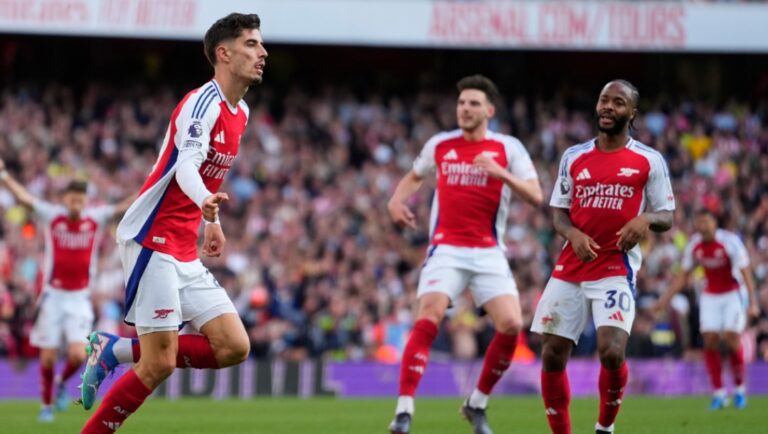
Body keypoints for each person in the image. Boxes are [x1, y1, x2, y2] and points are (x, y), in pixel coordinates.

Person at [78, 13, 267, 433]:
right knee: (158, 363)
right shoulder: (202, 103)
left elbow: (207, 177)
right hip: (153, 237)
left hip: (183, 245)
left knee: (234, 346)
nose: (263, 52)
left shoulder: (241, 111)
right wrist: (205, 206)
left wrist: (210, 221)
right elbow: (186, 167)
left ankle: (114, 350)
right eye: (252, 44)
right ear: (224, 53)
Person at [387, 74, 543, 434]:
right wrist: (396, 201)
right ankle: (404, 410)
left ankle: (476, 403)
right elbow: (415, 175)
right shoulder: (441, 144)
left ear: (489, 111)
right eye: (461, 103)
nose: (465, 109)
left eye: (474, 103)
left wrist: (500, 172)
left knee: (511, 325)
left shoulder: (508, 148)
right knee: (429, 313)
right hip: (447, 248)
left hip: (489, 251)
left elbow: (536, 195)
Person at [530, 80, 675, 434]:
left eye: (618, 102)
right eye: (603, 100)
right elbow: (559, 214)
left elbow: (667, 215)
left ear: (632, 113)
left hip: (614, 266)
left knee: (611, 351)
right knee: (551, 353)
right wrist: (573, 234)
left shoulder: (649, 160)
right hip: (571, 266)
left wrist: (645, 219)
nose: (608, 107)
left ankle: (604, 428)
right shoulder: (573, 156)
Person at [0, 158, 132, 423]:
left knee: (77, 354)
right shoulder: (52, 216)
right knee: (48, 357)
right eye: (72, 200)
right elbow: (25, 199)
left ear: (85, 201)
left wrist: (155, 180)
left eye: (80, 200)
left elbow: (122, 207)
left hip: (80, 297)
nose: (76, 205)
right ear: (65, 200)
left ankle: (61, 383)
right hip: (53, 296)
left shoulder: (95, 218)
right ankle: (46, 406)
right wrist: (4, 176)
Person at [655, 209, 759, 410]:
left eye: (706, 222)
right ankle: (719, 393)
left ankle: (739, 389)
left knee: (731, 338)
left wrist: (753, 303)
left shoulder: (730, 242)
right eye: (699, 222)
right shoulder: (694, 245)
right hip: (710, 295)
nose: (702, 226)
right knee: (710, 340)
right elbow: (683, 276)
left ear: (714, 223)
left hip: (732, 294)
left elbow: (746, 274)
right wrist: (664, 300)